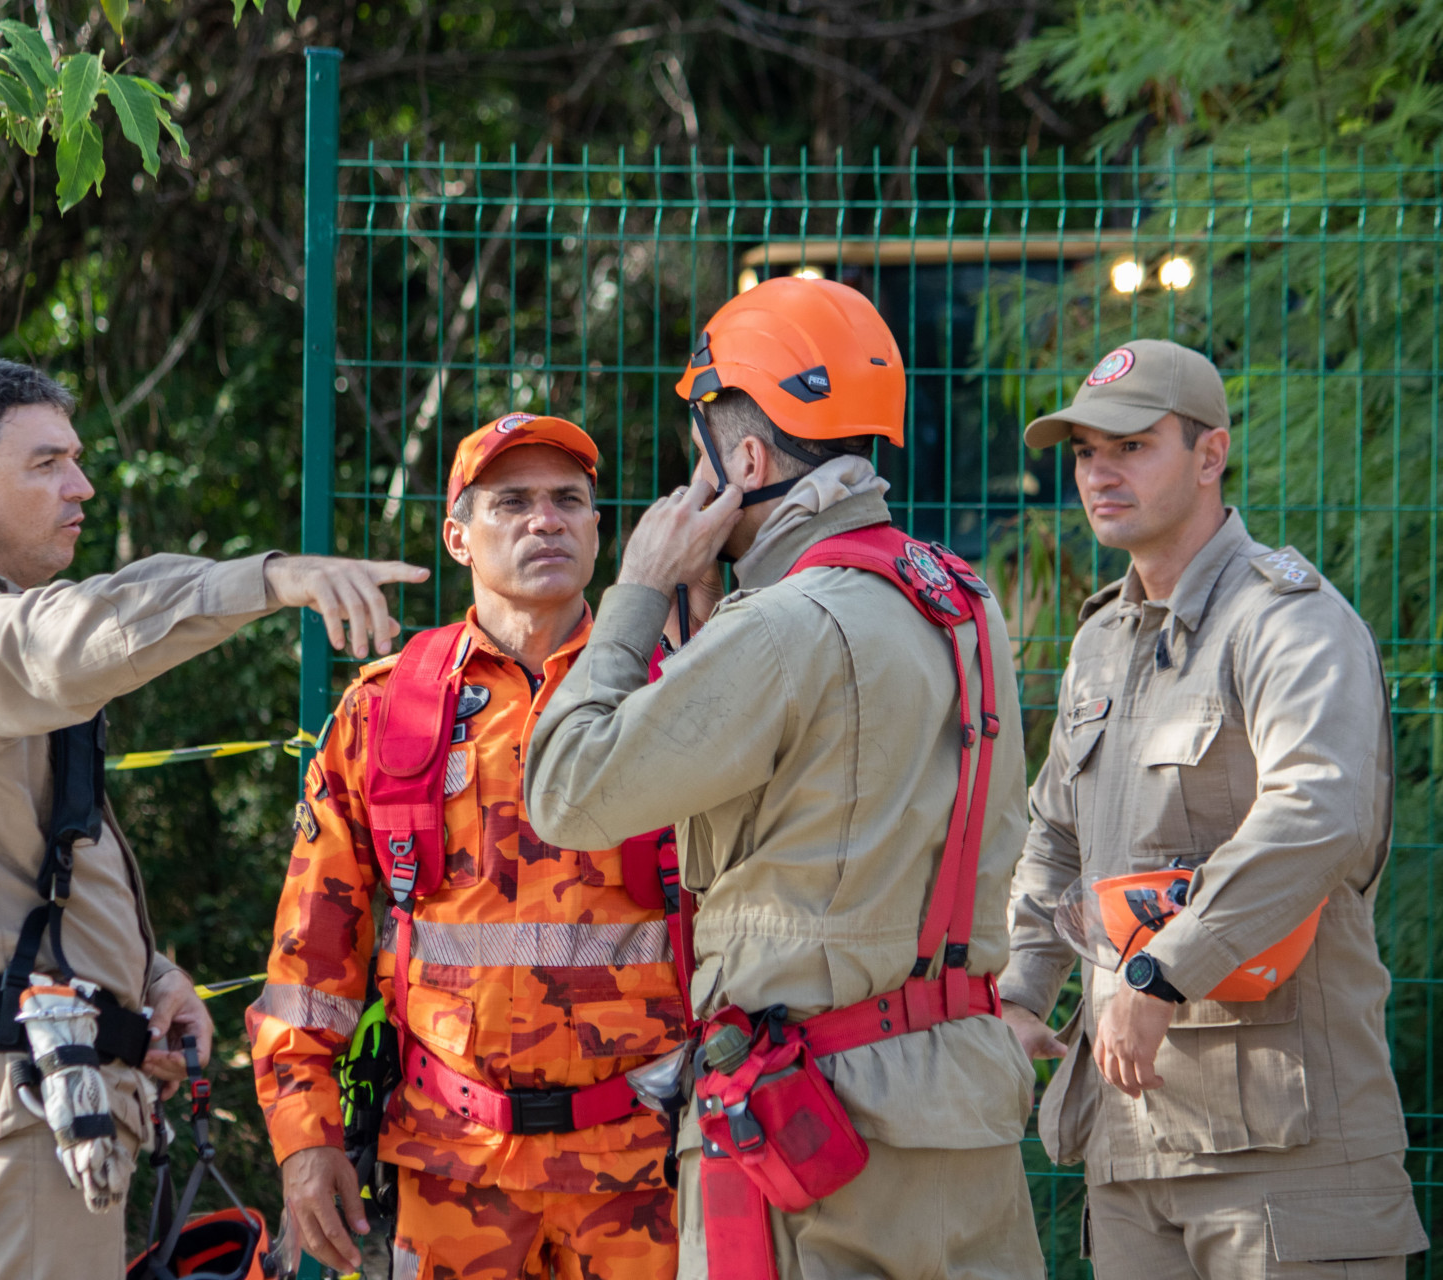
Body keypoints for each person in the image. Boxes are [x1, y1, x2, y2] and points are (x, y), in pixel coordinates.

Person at [0, 350, 424, 1280]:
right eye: (46, 464)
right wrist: (264, 581)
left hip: (37, 1087)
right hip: (6, 1096)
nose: (83, 485)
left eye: (75, 458)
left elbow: (7, 867)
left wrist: (143, 980)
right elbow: (53, 645)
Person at [526, 277, 1046, 1280]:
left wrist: (637, 590)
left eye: (704, 447)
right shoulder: (957, 596)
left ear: (748, 460)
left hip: (815, 1130)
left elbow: (566, 787)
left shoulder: (784, 627)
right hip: (962, 1107)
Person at [1000, 338, 1429, 1277]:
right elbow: (1056, 834)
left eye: (1132, 445)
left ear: (1210, 455)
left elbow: (1318, 815)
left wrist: (1163, 974)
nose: (1099, 473)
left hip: (1288, 1156)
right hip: (1131, 1145)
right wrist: (1019, 993)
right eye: (1083, 452)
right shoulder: (1102, 642)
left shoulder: (1288, 620)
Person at [248, 414, 685, 1280]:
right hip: (451, 1170)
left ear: (601, 529)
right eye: (511, 502)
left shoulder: (678, 694)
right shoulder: (388, 710)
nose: (544, 520)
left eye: (569, 501)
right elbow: (311, 953)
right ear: (457, 537)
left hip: (648, 1167)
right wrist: (306, 1138)